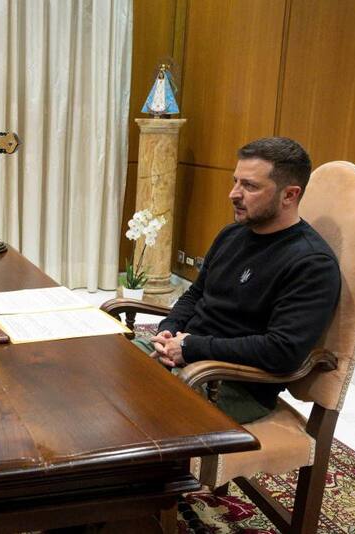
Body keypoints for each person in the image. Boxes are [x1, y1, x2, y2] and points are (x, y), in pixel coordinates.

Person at [141, 137, 341, 424]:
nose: (234, 194)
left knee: (129, 405)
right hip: (186, 359)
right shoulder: (232, 234)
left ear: (289, 195)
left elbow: (281, 351)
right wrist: (169, 331)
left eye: (250, 186)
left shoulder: (312, 264)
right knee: (102, 370)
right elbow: (195, 295)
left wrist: (192, 347)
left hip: (232, 384)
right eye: (236, 181)